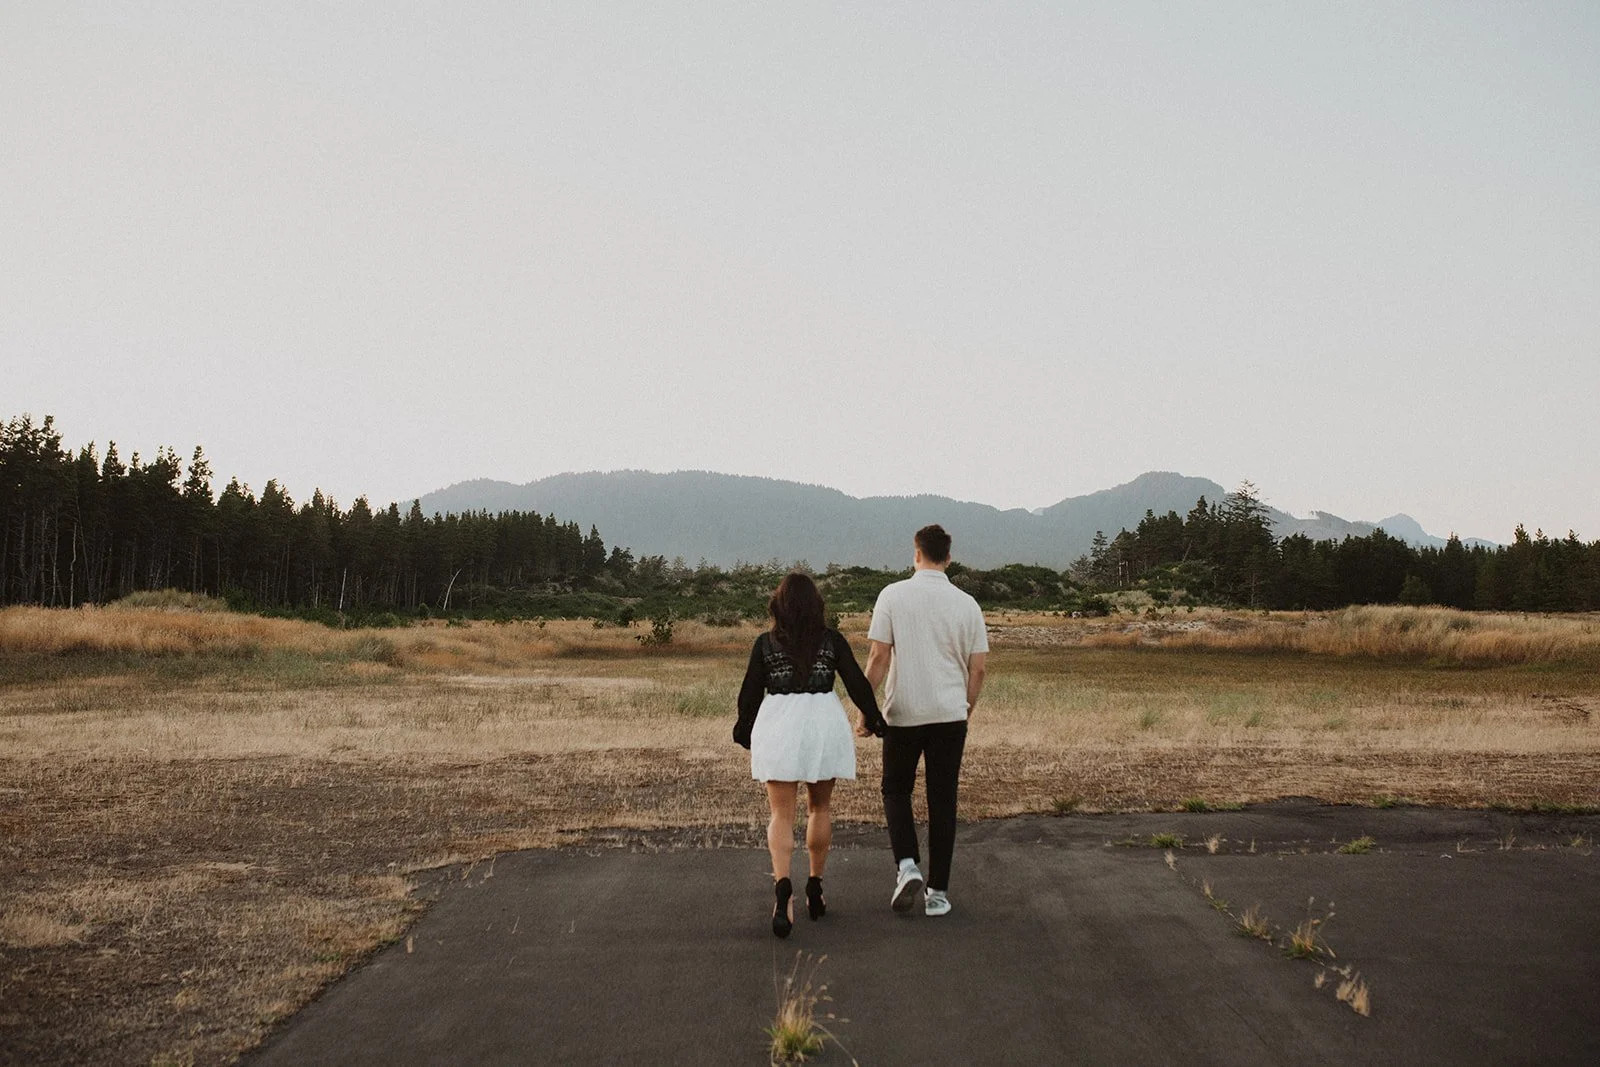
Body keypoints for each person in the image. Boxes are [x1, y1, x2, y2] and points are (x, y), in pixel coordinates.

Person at [734, 572, 885, 938]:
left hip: (780, 724)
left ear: (778, 607)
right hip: (822, 723)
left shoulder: (765, 644)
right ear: (817, 606)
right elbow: (856, 683)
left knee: (781, 814)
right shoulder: (831, 641)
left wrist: (744, 729)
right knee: (820, 808)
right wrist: (875, 719)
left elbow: (749, 693)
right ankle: (815, 885)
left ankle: (782, 886)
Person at [861, 524, 988, 917]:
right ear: (948, 558)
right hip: (949, 714)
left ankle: (907, 865)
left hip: (904, 714)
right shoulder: (967, 604)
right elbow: (978, 668)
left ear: (915, 554)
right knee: (943, 800)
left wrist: (867, 711)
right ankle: (938, 894)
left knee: (896, 791)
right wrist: (965, 707)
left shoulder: (892, 596)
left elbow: (879, 658)